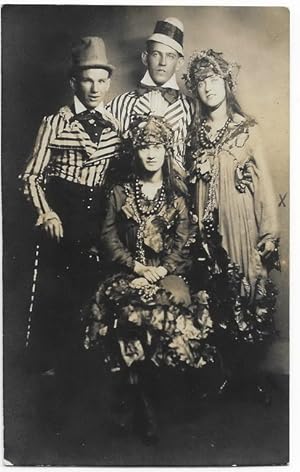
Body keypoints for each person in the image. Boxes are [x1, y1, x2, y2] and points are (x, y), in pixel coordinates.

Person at [83, 115, 215, 442]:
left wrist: (160, 270)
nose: (151, 154)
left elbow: (184, 242)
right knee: (129, 310)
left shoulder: (177, 198)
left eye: (157, 146)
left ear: (166, 150)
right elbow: (108, 238)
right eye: (144, 147)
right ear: (136, 152)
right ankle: (141, 403)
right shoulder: (119, 192)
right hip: (128, 271)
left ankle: (156, 397)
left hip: (167, 274)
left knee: (170, 306)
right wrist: (137, 268)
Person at [21, 37, 121, 388]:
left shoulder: (115, 128)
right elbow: (31, 176)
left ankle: (87, 366)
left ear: (109, 83)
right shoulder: (55, 123)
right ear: (73, 82)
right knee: (56, 290)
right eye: (87, 80)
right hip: (62, 213)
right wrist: (46, 213)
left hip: (96, 216)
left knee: (92, 288)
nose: (94, 88)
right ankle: (49, 369)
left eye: (101, 80)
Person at [184, 49, 280, 401]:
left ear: (226, 82)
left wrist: (269, 233)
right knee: (214, 294)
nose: (207, 87)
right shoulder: (192, 134)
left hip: (239, 223)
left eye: (213, 79)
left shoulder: (246, 130)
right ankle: (223, 375)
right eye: (200, 81)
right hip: (204, 228)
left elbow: (266, 187)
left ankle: (249, 376)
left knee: (247, 291)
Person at [107, 17, 194, 172]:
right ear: (145, 58)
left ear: (180, 63)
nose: (163, 62)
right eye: (156, 54)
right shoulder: (119, 105)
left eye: (170, 56)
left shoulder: (192, 109)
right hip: (131, 192)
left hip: (178, 193)